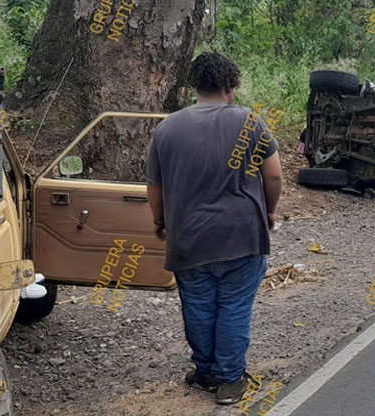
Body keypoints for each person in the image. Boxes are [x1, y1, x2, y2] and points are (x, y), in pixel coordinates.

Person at [145, 52, 282, 405]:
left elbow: (155, 188)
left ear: (196, 85)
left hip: (188, 240)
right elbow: (274, 174)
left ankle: (205, 371)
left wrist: (160, 222)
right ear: (229, 86)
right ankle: (229, 381)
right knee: (234, 307)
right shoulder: (250, 123)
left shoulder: (166, 128)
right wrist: (268, 212)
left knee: (198, 307)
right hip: (241, 236)